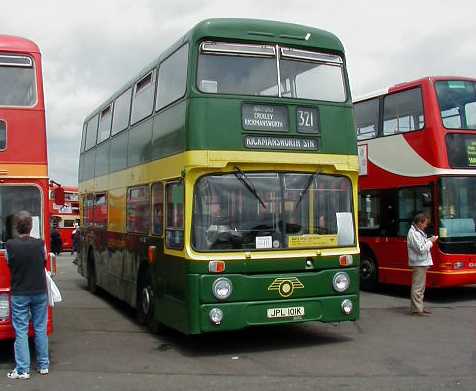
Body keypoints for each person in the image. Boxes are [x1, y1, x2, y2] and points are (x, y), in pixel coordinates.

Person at [6, 210, 49, 379]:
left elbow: (10, 263)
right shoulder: (40, 244)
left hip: (20, 292)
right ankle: (43, 365)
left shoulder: (10, 245)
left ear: (17, 227)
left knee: (21, 330)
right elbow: (44, 260)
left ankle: (23, 369)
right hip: (39, 291)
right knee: (40, 328)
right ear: (31, 227)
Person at [407, 213, 438, 316]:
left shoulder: (417, 232)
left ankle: (418, 307)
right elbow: (421, 249)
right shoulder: (413, 233)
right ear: (419, 222)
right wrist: (431, 242)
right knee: (418, 287)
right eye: (425, 223)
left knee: (420, 287)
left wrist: (429, 240)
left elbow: (421, 245)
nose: (426, 226)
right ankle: (416, 309)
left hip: (421, 262)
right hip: (419, 263)